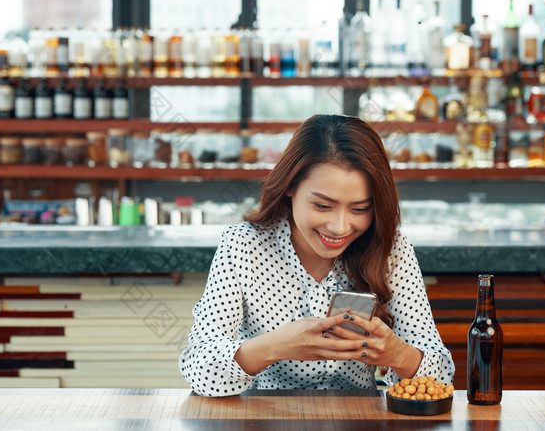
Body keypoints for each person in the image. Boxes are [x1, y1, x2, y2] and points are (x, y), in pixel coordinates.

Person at [179, 114, 454, 397]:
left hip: (362, 420)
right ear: (290, 186)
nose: (340, 227)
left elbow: (442, 377)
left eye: (360, 209)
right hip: (266, 419)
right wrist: (276, 345)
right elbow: (200, 368)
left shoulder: (390, 249)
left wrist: (397, 354)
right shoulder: (243, 244)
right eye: (323, 206)